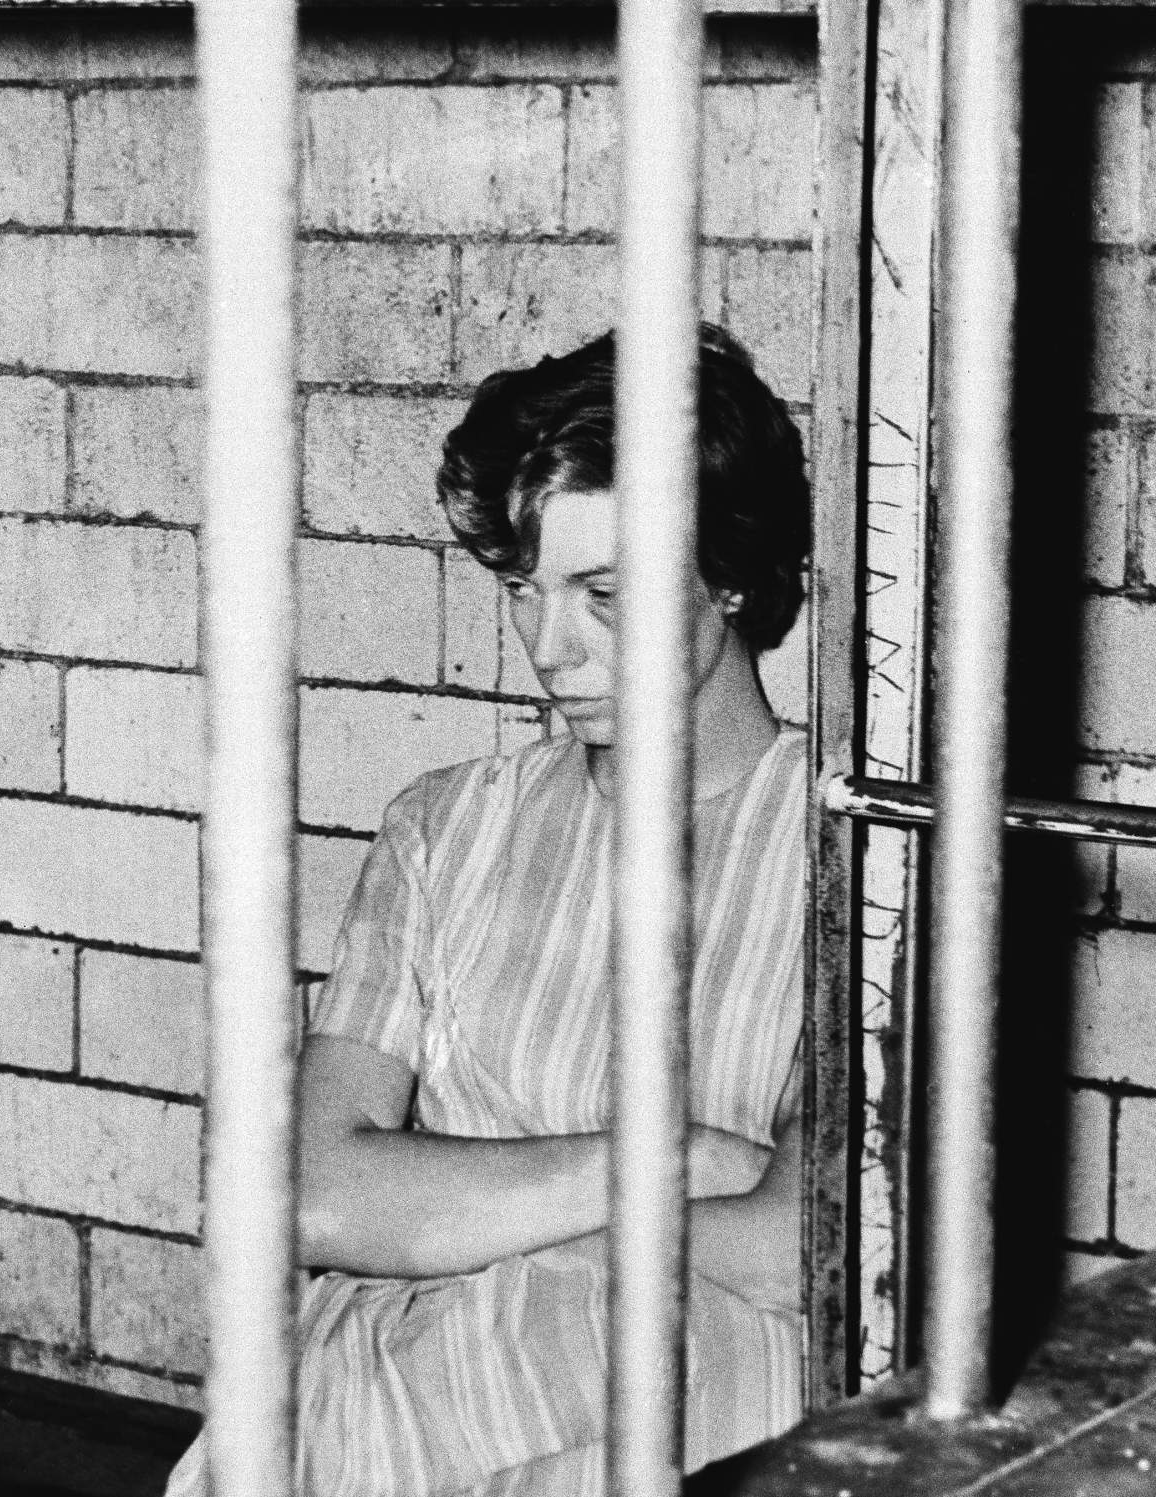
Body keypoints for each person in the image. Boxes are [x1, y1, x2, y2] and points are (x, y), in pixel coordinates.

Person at [166, 323, 809, 1497]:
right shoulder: (446, 826)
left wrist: (457, 1206)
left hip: (687, 1393)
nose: (550, 649)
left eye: (605, 595)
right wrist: (668, 1159)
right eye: (523, 589)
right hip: (402, 1386)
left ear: (727, 573)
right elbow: (312, 1195)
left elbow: (791, 1252)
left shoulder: (850, 860)